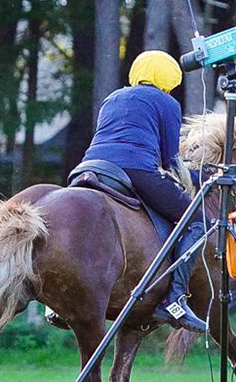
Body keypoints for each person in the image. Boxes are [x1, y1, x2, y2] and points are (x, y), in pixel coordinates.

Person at [82, 50, 207, 333]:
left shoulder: (112, 98)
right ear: (169, 78)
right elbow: (170, 162)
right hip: (136, 169)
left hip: (89, 167)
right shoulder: (166, 102)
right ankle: (175, 299)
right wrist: (203, 175)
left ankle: (56, 305)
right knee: (198, 220)